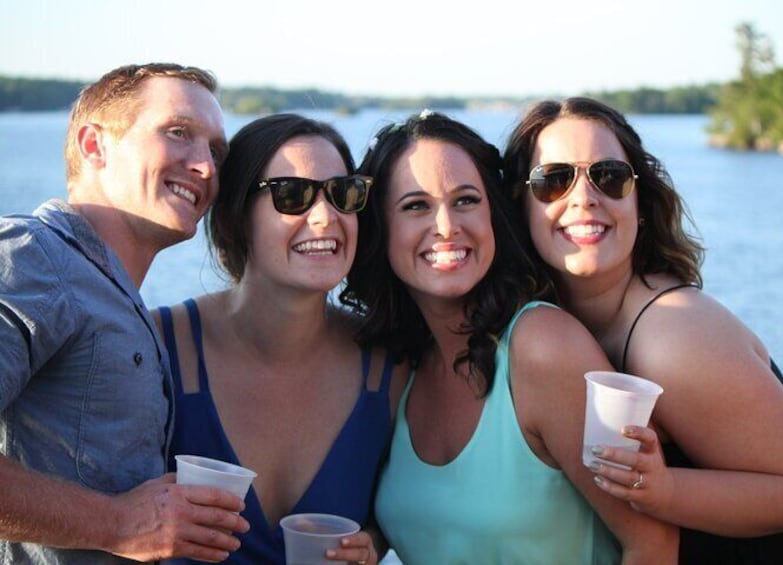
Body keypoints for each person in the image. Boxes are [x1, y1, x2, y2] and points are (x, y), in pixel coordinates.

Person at [503, 97, 783, 563]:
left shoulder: (672, 334)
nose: (584, 197)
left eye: (609, 176)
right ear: (519, 207)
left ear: (639, 201)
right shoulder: (553, 326)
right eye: (554, 180)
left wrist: (663, 489)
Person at [340, 110, 678, 564]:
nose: (446, 227)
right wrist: (374, 542)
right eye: (415, 206)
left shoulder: (542, 347)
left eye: (466, 200)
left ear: (494, 215)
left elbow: (653, 543)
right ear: (381, 232)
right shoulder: (405, 366)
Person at [0, 63, 250, 564]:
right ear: (95, 146)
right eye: (179, 133)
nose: (206, 168)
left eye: (217, 151)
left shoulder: (118, 295)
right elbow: (126, 525)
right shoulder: (35, 258)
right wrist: (117, 522)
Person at [153, 113, 407, 565]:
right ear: (235, 217)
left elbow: (410, 507)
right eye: (293, 195)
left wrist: (374, 542)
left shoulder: (390, 369)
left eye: (342, 194)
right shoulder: (159, 347)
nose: (326, 217)